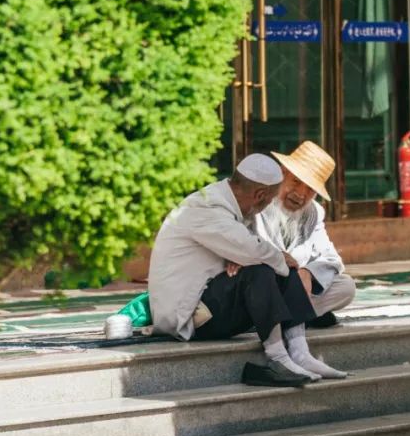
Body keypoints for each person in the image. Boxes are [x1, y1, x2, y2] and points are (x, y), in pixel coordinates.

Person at [147, 153, 327, 388]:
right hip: (189, 318)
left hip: (211, 303)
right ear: (260, 195)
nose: (268, 206)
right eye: (270, 200)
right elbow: (253, 249)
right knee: (266, 267)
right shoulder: (207, 206)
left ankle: (300, 352)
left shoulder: (235, 205)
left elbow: (247, 247)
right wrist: (255, 256)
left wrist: (245, 256)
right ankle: (278, 358)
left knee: (280, 265)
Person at [255, 140, 357, 333]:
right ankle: (300, 316)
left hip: (289, 293)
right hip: (260, 288)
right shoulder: (257, 201)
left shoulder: (314, 213)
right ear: (282, 174)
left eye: (310, 189)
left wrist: (309, 273)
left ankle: (286, 317)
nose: (301, 194)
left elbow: (333, 260)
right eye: (296, 182)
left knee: (346, 287)